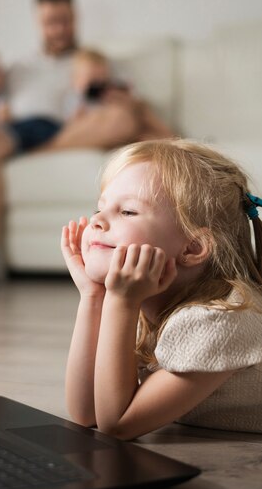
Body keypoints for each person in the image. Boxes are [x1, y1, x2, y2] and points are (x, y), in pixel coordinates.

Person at [0, 0, 172, 289]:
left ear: (75, 17)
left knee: (123, 119)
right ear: (38, 22)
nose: (58, 29)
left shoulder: (96, 60)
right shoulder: (18, 68)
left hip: (79, 129)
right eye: (50, 22)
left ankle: (45, 150)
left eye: (65, 20)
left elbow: (130, 110)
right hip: (23, 131)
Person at [61, 139, 262, 439]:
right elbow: (85, 412)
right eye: (99, 208)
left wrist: (121, 301)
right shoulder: (154, 301)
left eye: (127, 212)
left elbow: (117, 424)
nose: (97, 221)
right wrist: (93, 296)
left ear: (193, 247)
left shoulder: (221, 320)